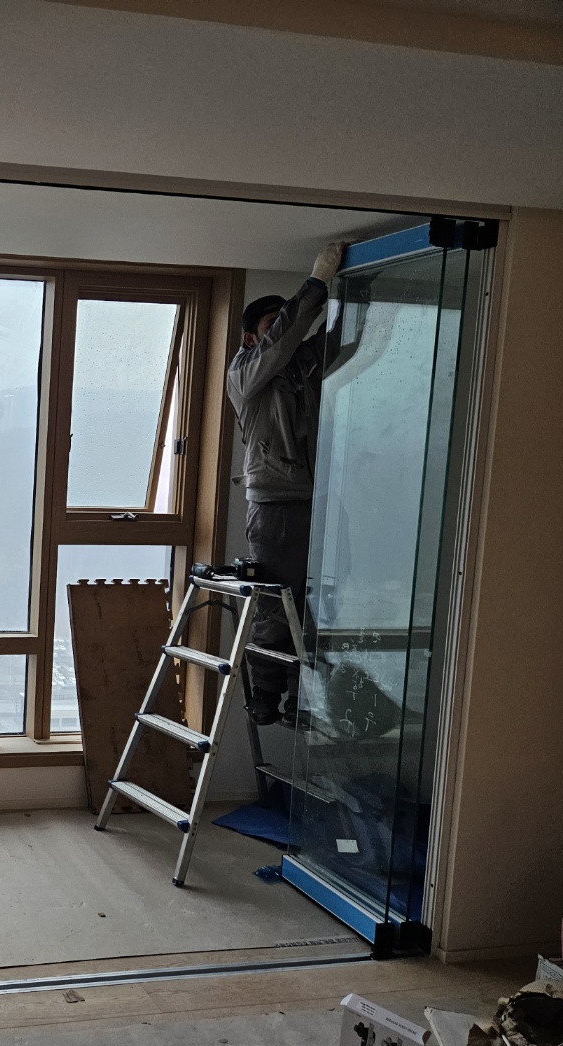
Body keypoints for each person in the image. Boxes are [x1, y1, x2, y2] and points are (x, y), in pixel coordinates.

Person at [227, 241, 344, 727]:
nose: (281, 331)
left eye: (284, 321)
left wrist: (360, 297)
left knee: (318, 607)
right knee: (278, 605)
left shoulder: (301, 365)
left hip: (317, 500)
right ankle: (266, 694)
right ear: (251, 338)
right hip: (276, 504)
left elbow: (342, 341)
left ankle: (301, 699)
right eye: (271, 324)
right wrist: (316, 285)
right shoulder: (245, 373)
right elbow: (283, 341)